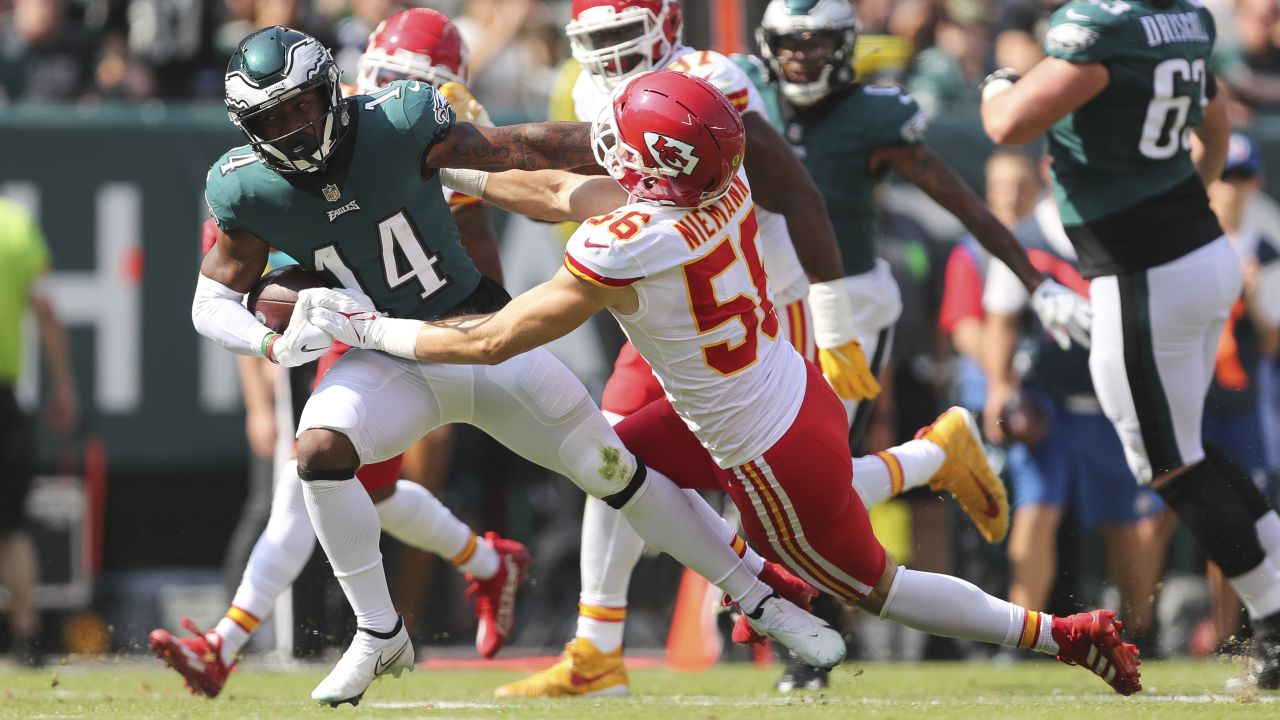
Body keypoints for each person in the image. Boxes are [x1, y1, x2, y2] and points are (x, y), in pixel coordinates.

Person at [306, 69, 1144, 698]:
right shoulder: (722, 181)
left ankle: (1059, 633)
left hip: (761, 450)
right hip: (788, 382)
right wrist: (452, 171)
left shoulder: (629, 244)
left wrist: (366, 329)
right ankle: (909, 470)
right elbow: (566, 189)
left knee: (875, 587)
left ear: (651, 164)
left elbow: (492, 340)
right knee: (614, 467)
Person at [186, 25, 841, 707]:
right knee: (317, 454)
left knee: (614, 472)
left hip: (478, 330)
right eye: (273, 118)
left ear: (330, 90)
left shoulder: (406, 120)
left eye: (301, 106)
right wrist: (269, 346)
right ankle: (379, 630)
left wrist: (631, 144)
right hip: (386, 356)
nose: (293, 129)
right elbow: (210, 300)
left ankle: (761, 597)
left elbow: (525, 153)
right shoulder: (244, 189)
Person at [151, 13, 528, 698]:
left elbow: (477, 246)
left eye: (429, 84)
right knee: (343, 484)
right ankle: (483, 562)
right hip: (342, 324)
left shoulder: (429, 128)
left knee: (340, 485)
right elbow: (235, 281)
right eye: (401, 78)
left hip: (414, 322)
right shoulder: (294, 123)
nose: (411, 93)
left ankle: (224, 644)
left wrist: (483, 324)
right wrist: (261, 372)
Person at [982, 0, 1280, 689]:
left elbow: (1006, 124)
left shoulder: (1105, 27)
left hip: (1144, 273)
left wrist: (1000, 78)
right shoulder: (1187, 20)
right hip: (1197, 253)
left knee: (1171, 468)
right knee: (1192, 458)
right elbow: (1216, 123)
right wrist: (1176, 203)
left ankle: (1272, 625)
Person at [977, 151, 1166, 655]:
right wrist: (998, 385)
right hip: (1049, 404)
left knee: (1127, 522)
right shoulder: (1027, 238)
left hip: (1111, 404)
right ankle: (1020, 637)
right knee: (1036, 515)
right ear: (1049, 170)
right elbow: (1000, 317)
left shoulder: (1118, 228)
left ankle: (1141, 632)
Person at [0, 197, 78, 666]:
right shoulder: (14, 224)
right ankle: (26, 636)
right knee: (11, 526)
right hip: (6, 398)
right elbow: (45, 310)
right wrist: (64, 384)